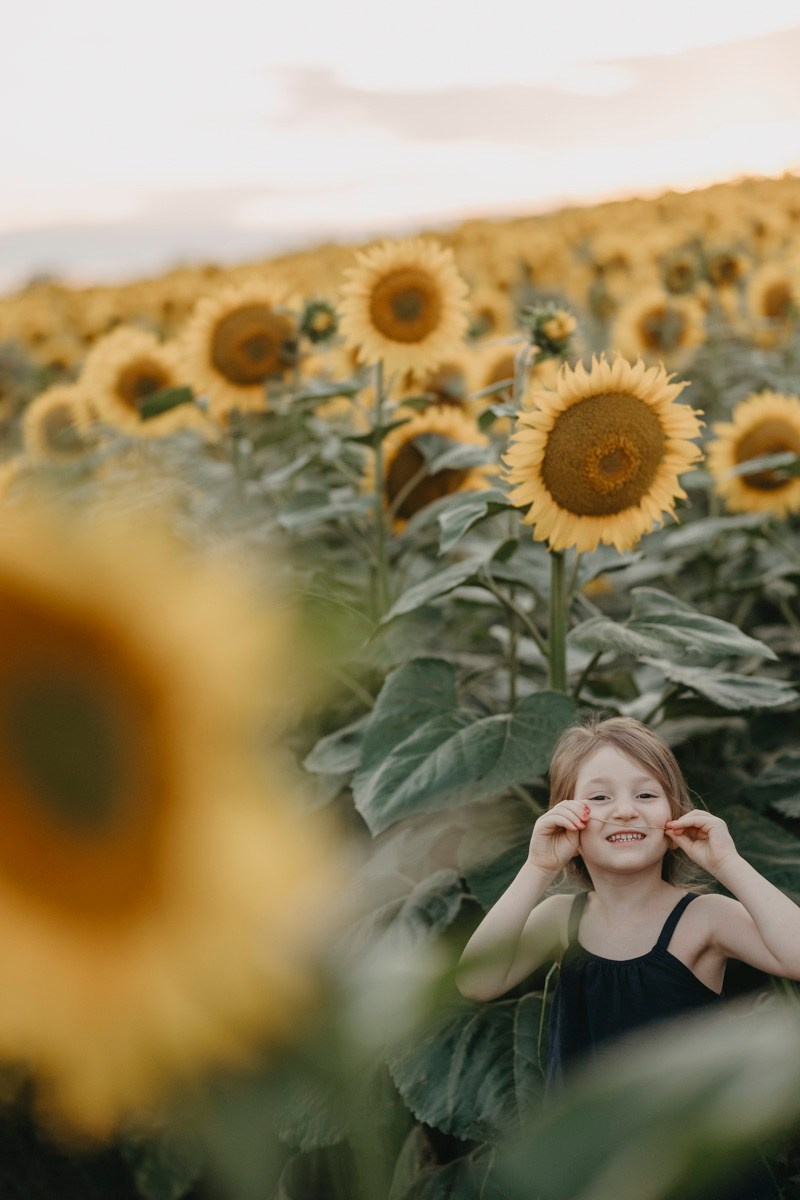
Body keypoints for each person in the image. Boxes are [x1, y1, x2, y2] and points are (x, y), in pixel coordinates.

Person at [456, 714, 799, 1200]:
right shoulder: (561, 918)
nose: (624, 811)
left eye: (646, 794)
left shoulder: (703, 917)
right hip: (596, 1171)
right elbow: (476, 980)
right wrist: (537, 866)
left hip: (698, 1173)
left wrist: (728, 864)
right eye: (598, 797)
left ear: (674, 814)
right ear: (566, 817)